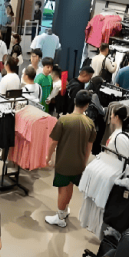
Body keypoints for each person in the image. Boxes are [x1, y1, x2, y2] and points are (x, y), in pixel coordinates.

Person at [45, 91, 97, 228]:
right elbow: (89, 146)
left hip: (64, 162)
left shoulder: (64, 120)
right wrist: (84, 162)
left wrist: (48, 157)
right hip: (79, 163)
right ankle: (64, 210)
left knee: (63, 189)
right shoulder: (90, 123)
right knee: (70, 186)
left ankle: (60, 217)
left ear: (75, 101)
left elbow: (54, 142)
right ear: (87, 105)